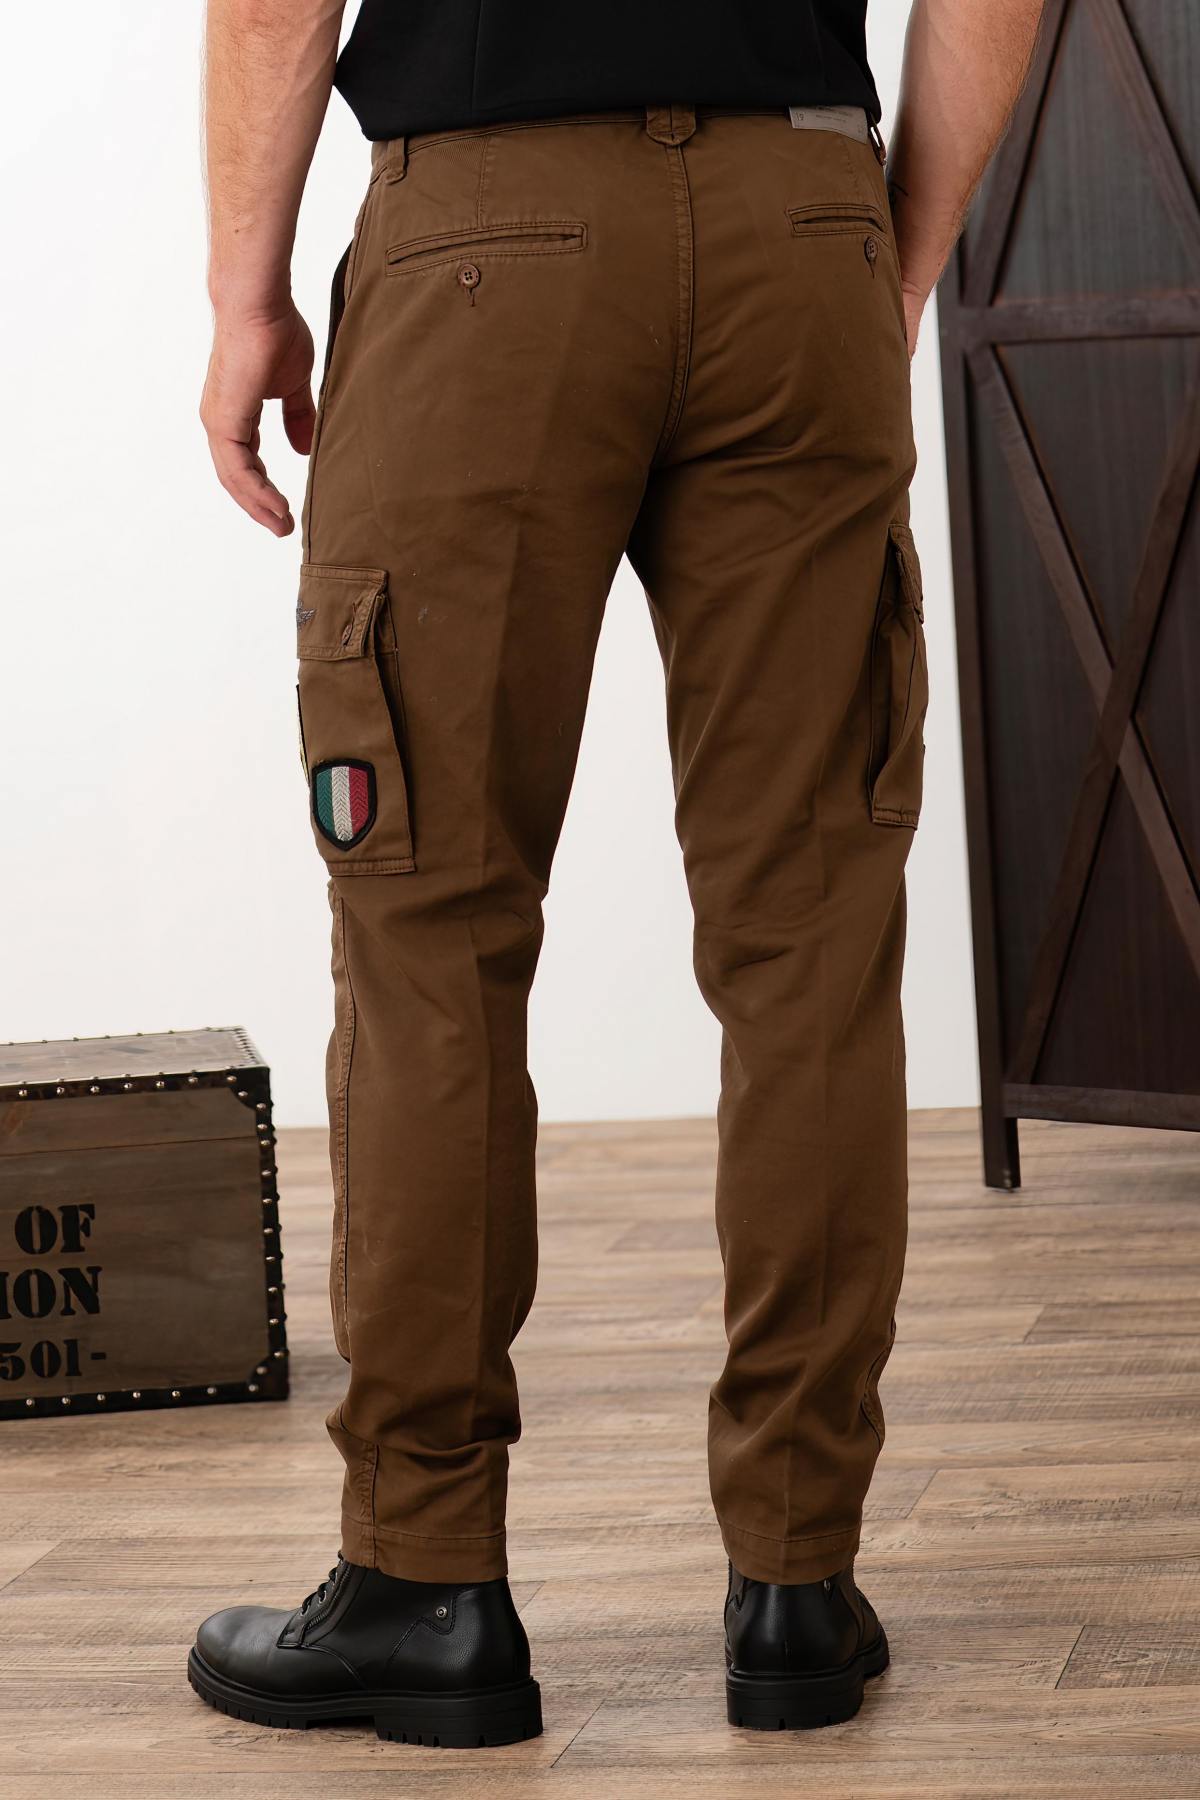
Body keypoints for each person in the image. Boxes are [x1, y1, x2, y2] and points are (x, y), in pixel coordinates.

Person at [189, 0, 1044, 1748]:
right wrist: (892, 250)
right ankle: (798, 1576)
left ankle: (427, 1579)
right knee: (812, 937)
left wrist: (244, 298)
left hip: (482, 242)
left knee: (431, 928)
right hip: (802, 218)